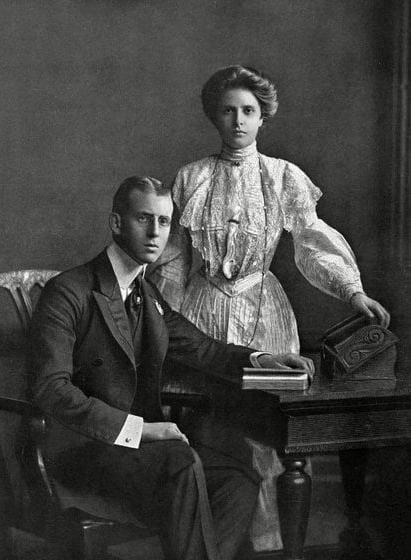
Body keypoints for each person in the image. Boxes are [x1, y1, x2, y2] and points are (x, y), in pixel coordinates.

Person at [148, 65, 390, 551]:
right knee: (210, 427)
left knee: (272, 427)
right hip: (202, 313)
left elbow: (311, 241)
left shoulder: (283, 177)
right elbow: (173, 257)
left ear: (263, 118)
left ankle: (273, 546)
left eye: (249, 111)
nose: (238, 120)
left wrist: (352, 291)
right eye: (228, 110)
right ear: (214, 117)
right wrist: (156, 323)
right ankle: (214, 542)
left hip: (266, 314)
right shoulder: (191, 177)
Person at [28, 175, 314, 560]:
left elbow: (203, 349)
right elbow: (50, 389)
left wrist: (265, 359)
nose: (155, 232)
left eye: (164, 222)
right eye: (143, 219)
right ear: (116, 223)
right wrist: (140, 430)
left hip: (141, 455)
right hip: (85, 449)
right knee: (180, 461)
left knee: (239, 478)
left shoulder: (146, 295)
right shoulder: (68, 291)